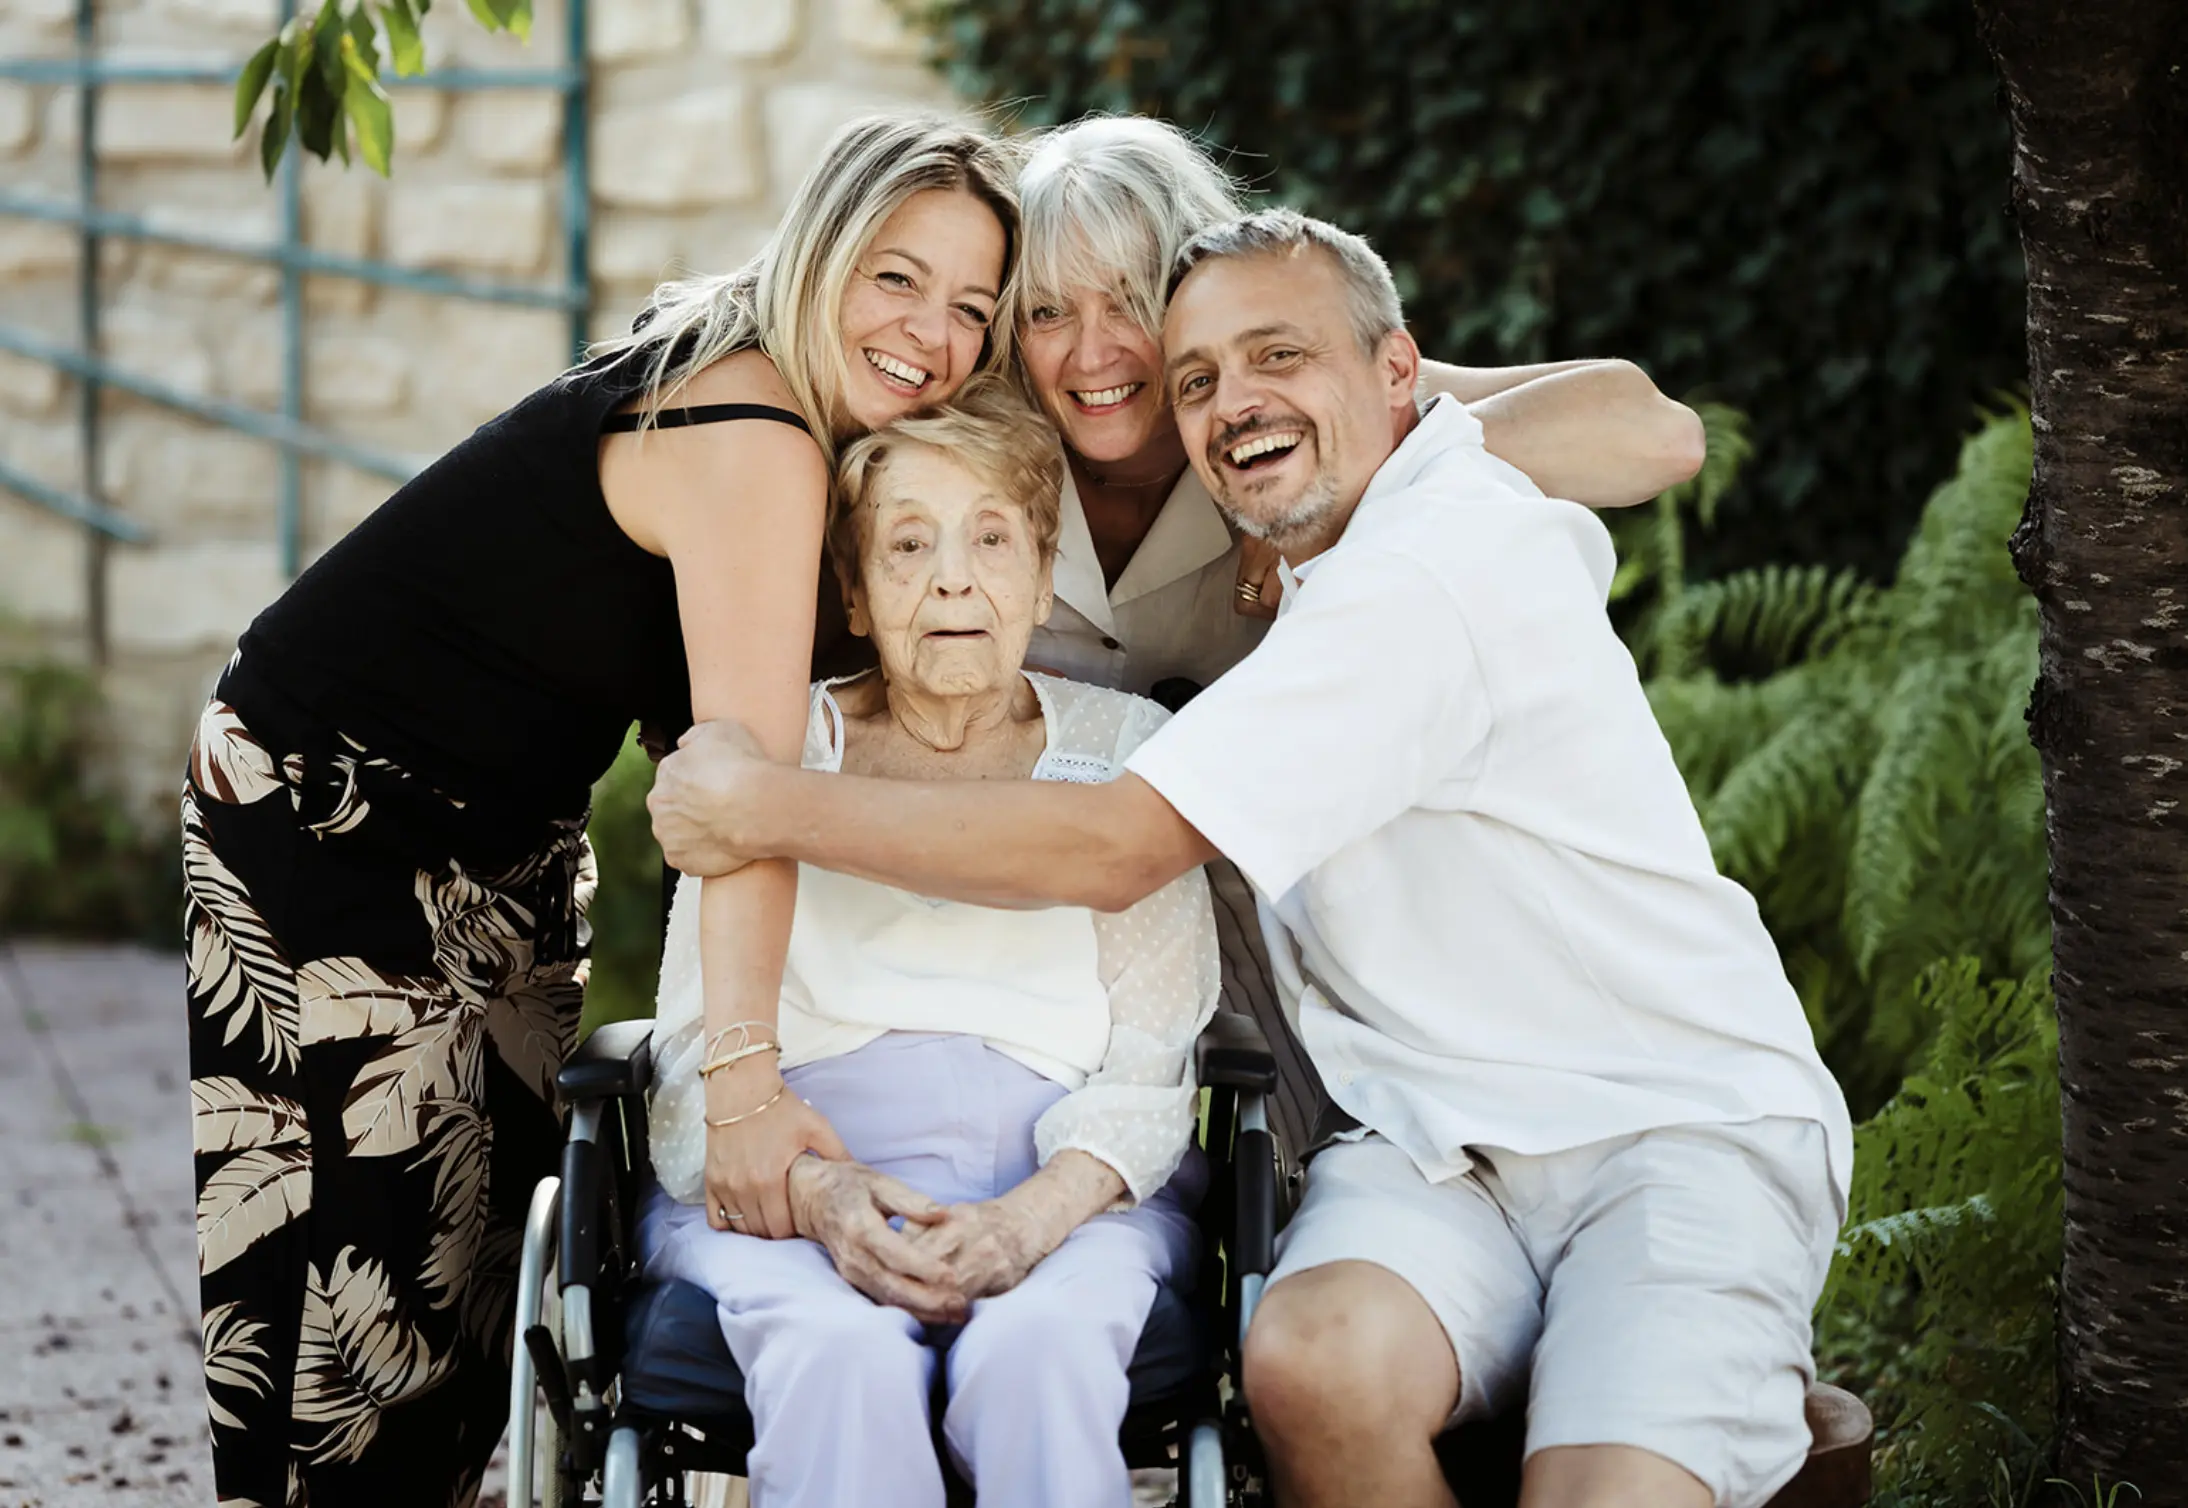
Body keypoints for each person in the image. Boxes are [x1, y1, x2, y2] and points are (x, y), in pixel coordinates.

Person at [645, 208, 1854, 1508]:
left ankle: (1714, 1394)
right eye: (1201, 379)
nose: (1235, 404)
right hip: (1431, 1144)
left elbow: (1115, 845)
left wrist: (764, 806)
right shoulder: (1313, 564)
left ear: (1402, 376)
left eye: (1280, 357)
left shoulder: (1429, 566)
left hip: (1664, 1124)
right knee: (1313, 1366)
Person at [182, 114, 1018, 1506]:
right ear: (819, 252)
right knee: (349, 1287)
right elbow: (748, 798)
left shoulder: (792, 410)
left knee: (474, 1278)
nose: (932, 332)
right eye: (896, 276)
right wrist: (743, 1097)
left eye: (972, 310)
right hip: (332, 810)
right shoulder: (754, 427)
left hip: (505, 837)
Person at [640, 378, 1218, 1508]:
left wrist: (1026, 1218)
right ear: (855, 591)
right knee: (836, 1359)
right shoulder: (774, 750)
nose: (953, 575)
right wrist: (819, 1194)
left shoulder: (1127, 753)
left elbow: (1156, 1061)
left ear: (1041, 573)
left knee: (1040, 1354)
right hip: (792, 1182)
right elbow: (694, 1038)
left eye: (990, 537)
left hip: (1071, 1190)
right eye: (909, 543)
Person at [1009, 114, 1705, 693]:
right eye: (1047, 313)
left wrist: (1352, 477)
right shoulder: (982, 439)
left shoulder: (1312, 399)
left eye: (1130, 302)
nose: (1091, 355)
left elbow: (1659, 438)